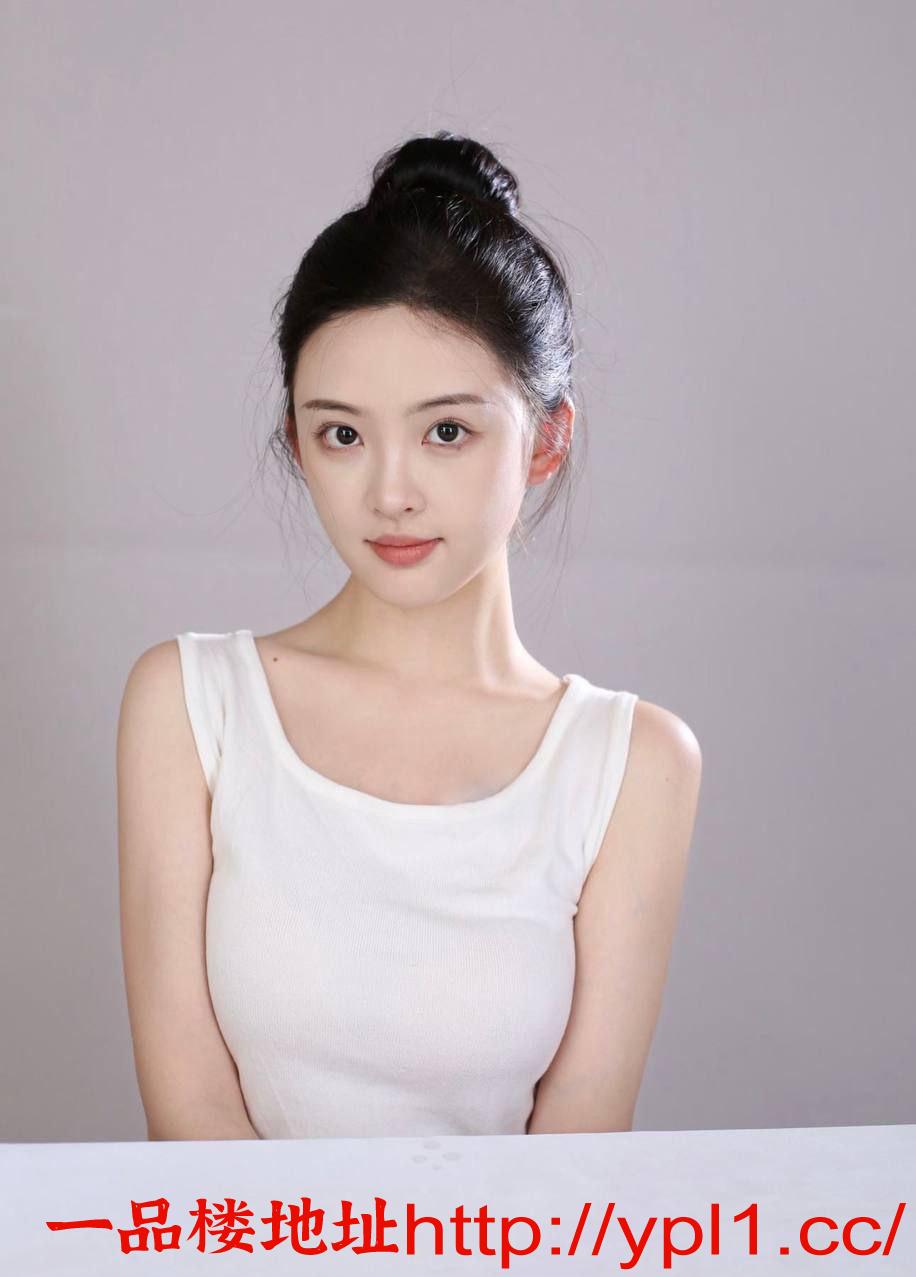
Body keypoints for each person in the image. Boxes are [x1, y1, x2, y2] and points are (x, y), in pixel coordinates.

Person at [116, 131, 702, 1142]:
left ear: (547, 439)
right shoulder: (192, 705)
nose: (390, 493)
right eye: (342, 433)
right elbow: (191, 1114)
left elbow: (576, 1156)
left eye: (446, 431)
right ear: (296, 439)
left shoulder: (631, 763)